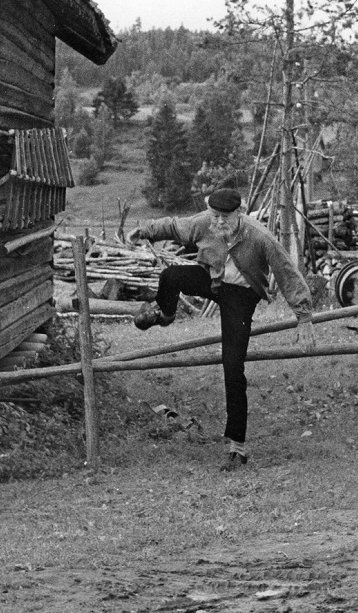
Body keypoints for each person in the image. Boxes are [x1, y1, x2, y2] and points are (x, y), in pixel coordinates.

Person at [127, 188, 315, 471]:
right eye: (215, 215)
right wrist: (145, 230)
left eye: (224, 217)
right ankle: (165, 314)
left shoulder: (259, 236)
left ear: (238, 213)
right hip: (212, 281)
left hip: (241, 296)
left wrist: (304, 316)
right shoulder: (204, 222)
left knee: (233, 366)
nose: (218, 222)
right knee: (171, 275)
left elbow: (286, 271)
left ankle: (236, 446)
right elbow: (175, 226)